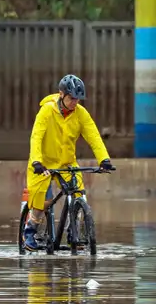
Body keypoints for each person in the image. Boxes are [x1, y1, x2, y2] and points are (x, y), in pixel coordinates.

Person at [24, 74, 114, 250]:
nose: (75, 102)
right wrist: (36, 161)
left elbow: (94, 136)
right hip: (43, 164)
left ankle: (74, 233)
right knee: (44, 201)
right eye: (71, 98)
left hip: (67, 164)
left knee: (79, 195)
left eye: (78, 99)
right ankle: (30, 231)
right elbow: (36, 137)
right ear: (61, 94)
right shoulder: (47, 111)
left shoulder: (81, 113)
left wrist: (104, 159)